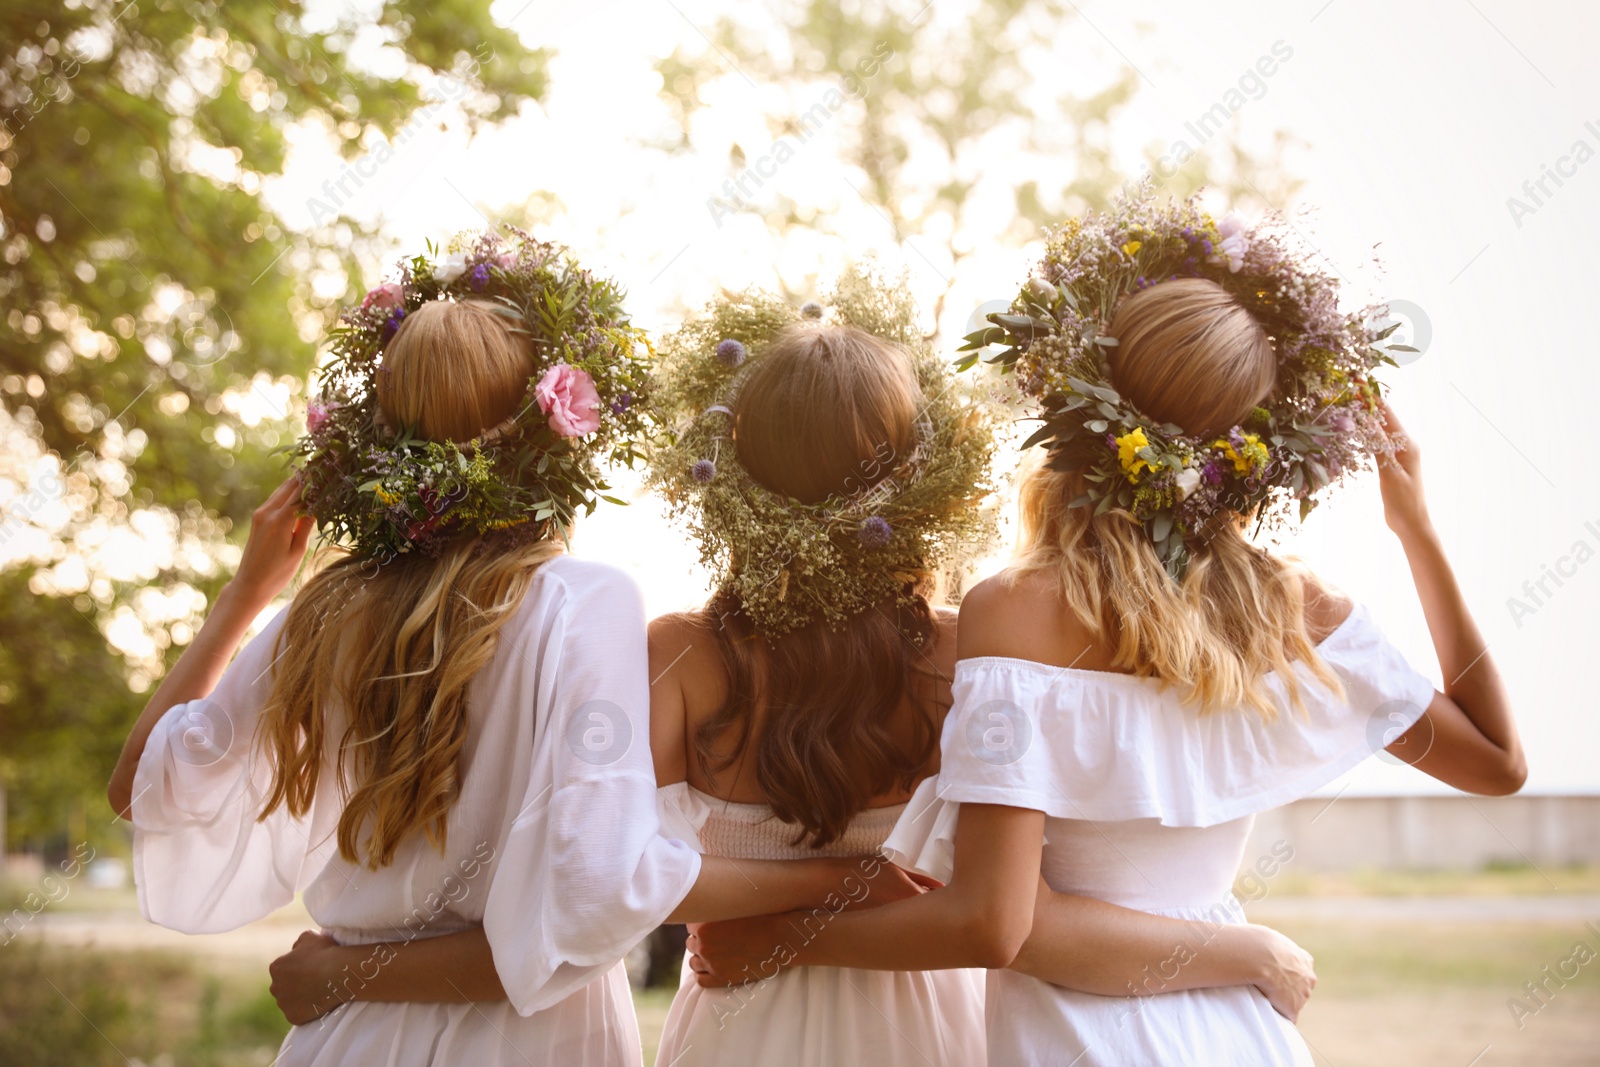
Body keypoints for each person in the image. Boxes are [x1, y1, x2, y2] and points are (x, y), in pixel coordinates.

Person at [267, 276, 1324, 1065]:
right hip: (937, 1026)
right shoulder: (972, 652)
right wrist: (1246, 949)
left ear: (732, 474)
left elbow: (604, 885)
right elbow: (1034, 901)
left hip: (739, 1024)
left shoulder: (677, 658)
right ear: (921, 478)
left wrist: (784, 910)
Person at [688, 209, 1525, 1066]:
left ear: (1087, 405)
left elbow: (993, 920)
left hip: (1077, 1039)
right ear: (1251, 447)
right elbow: (1498, 761)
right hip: (1240, 1030)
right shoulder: (1295, 605)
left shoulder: (1013, 610)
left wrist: (789, 938)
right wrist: (1415, 529)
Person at [107, 237, 924, 1067]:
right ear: (553, 439)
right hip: (530, 1042)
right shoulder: (584, 604)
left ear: (383, 445)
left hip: (347, 1038)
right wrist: (834, 879)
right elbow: (594, 899)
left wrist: (246, 598)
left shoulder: (314, 618)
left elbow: (138, 789)